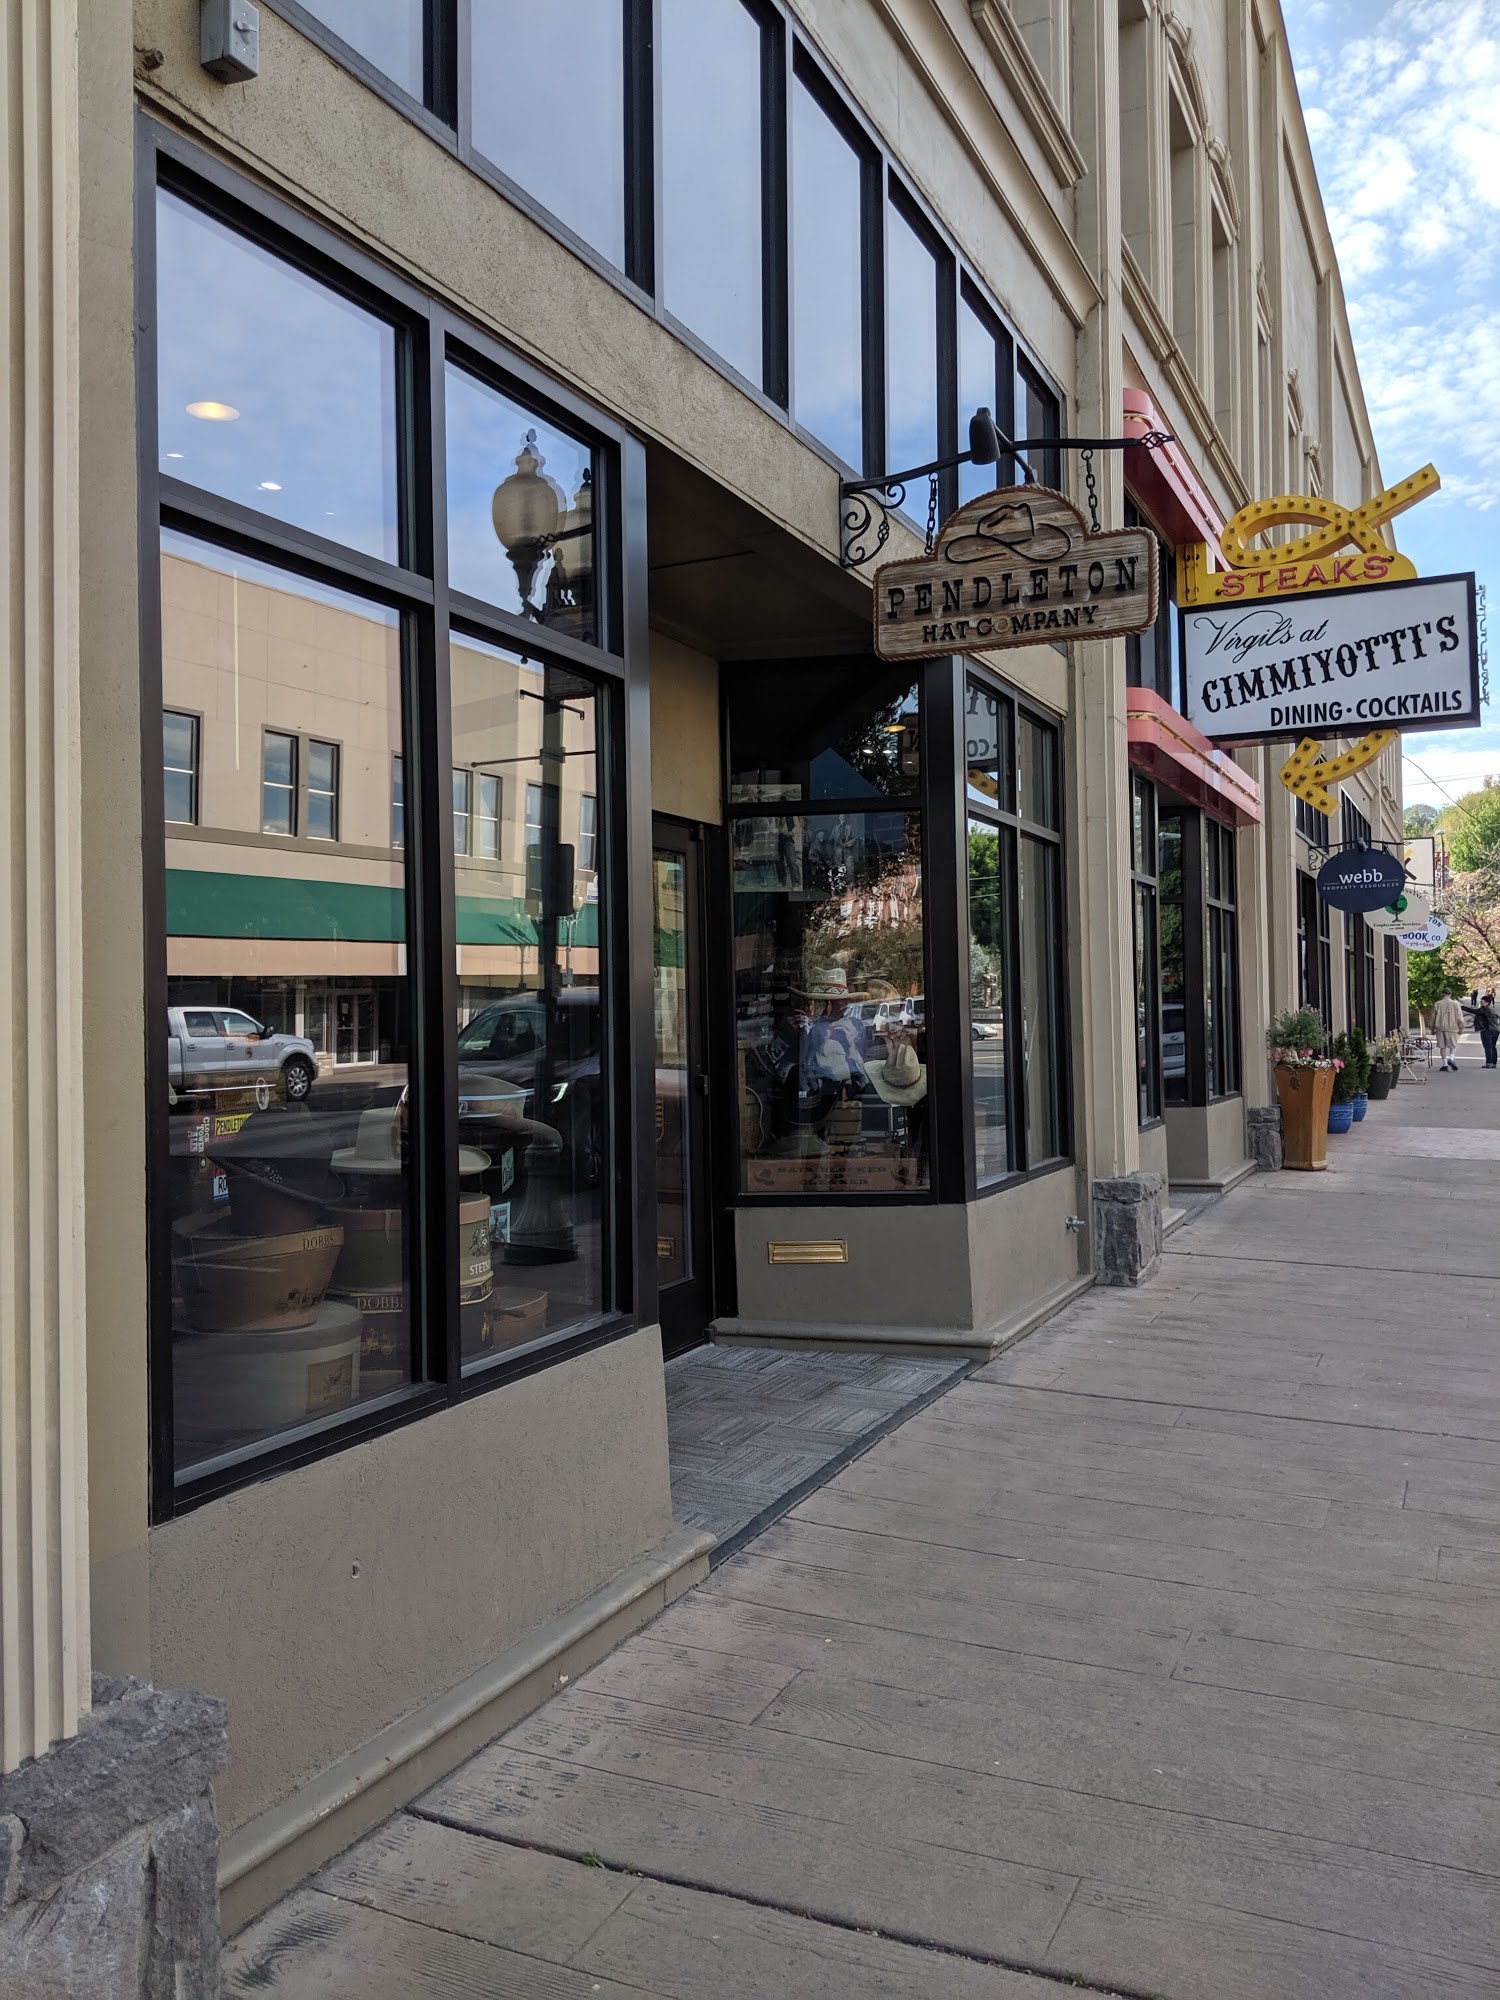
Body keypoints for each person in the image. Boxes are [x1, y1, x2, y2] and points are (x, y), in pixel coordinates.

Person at [1431, 992, 1466, 1072]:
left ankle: (1445, 1064)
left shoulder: (1437, 1004)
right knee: (1453, 1045)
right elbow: (1459, 1017)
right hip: (1452, 1028)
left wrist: (1432, 1028)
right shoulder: (1455, 1004)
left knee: (1442, 1046)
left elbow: (1433, 1017)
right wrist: (1461, 1027)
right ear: (1450, 994)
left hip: (1440, 1028)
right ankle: (1451, 1058)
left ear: (1442, 994)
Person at [1476, 990, 1499, 1071]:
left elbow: (1474, 1011)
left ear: (1487, 1002)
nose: (1481, 1003)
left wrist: (1461, 1007)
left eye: (1482, 1001)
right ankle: (1493, 1063)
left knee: (1488, 1047)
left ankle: (1489, 1063)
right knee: (1493, 1046)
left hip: (1487, 1030)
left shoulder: (1484, 1009)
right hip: (1496, 1030)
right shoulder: (1492, 1010)